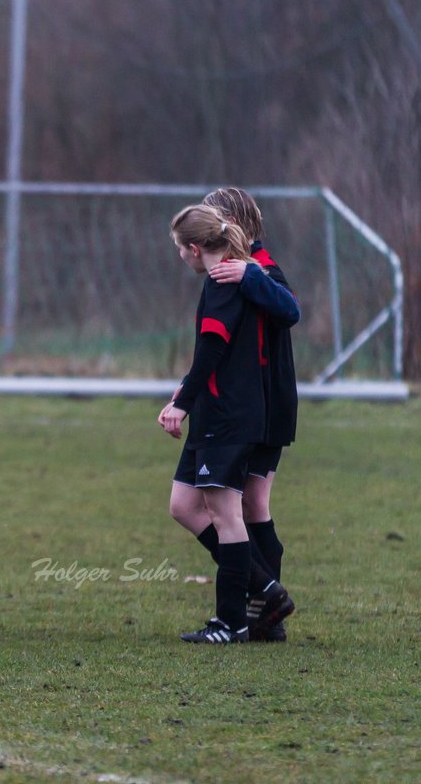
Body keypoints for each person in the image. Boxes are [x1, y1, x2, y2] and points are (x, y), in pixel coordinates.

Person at [159, 204, 292, 644]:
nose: (179, 256)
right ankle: (262, 588)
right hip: (221, 413)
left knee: (230, 512)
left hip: (228, 414)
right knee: (185, 504)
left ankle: (233, 620)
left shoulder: (233, 279)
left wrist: (183, 401)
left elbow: (213, 352)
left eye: (179, 248)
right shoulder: (237, 274)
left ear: (195, 248)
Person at [203, 187, 297, 641]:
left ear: (233, 224)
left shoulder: (261, 267)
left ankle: (265, 607)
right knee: (248, 504)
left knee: (252, 503)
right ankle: (263, 610)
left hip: (269, 407)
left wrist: (250, 275)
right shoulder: (236, 268)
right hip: (253, 406)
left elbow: (291, 309)